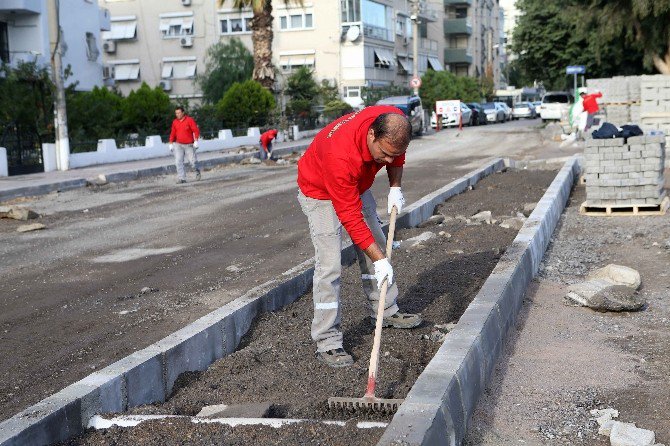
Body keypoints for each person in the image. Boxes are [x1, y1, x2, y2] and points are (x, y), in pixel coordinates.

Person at [297, 105, 422, 368]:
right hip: (320, 192)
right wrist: (379, 260)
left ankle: (385, 310)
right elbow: (351, 218)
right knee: (330, 265)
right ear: (372, 136)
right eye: (384, 155)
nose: (388, 161)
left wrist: (395, 187)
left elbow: (397, 154)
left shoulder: (393, 122)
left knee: (375, 244)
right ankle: (327, 340)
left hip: (357, 184)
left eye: (395, 155)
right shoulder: (340, 156)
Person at [169, 106, 201, 184]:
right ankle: (182, 178)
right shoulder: (175, 122)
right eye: (176, 113)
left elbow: (195, 130)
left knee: (192, 161)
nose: (177, 114)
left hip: (189, 145)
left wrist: (196, 140)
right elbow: (173, 133)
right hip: (178, 144)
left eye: (179, 113)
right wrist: (170, 143)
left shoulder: (189, 120)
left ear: (183, 113)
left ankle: (197, 171)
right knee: (178, 161)